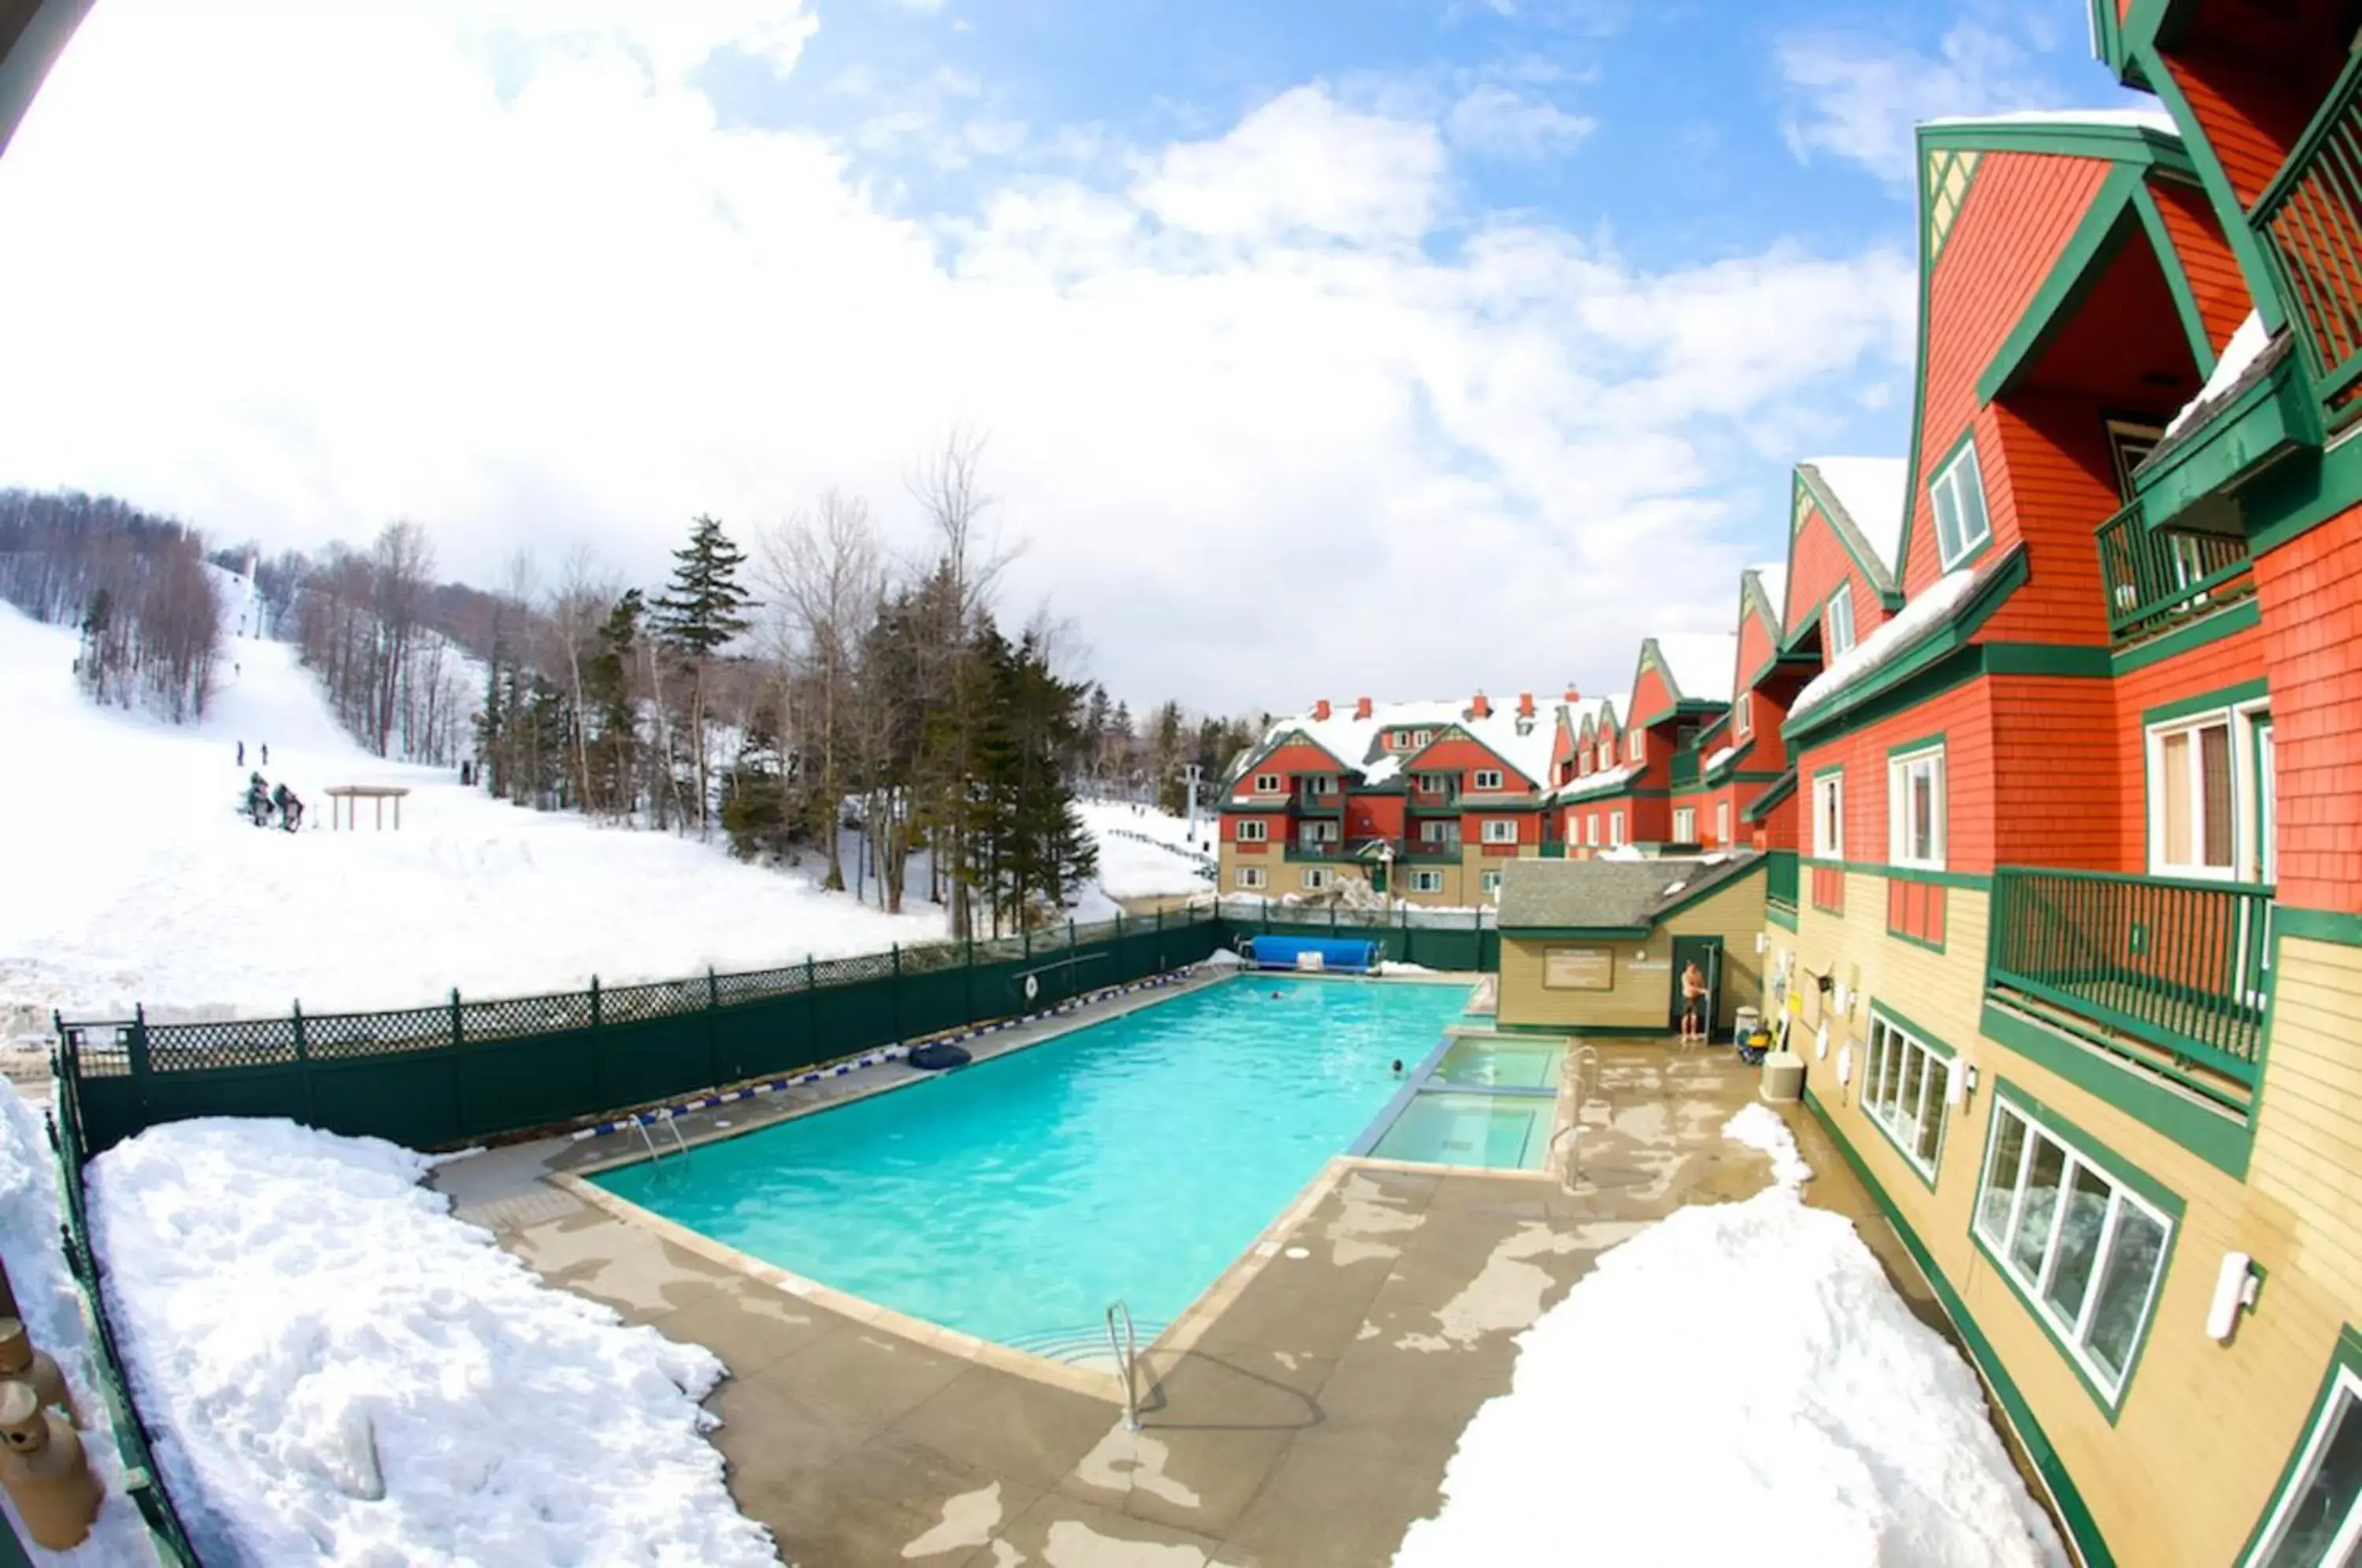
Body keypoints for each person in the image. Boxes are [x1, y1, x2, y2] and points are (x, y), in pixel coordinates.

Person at [1681, 960, 1709, 1042]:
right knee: (1686, 1017)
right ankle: (1685, 1034)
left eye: (1694, 966)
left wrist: (1704, 991)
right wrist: (1701, 991)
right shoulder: (1685, 975)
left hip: (1695, 997)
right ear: (1688, 967)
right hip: (1687, 997)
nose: (1693, 968)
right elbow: (1689, 987)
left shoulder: (1699, 974)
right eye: (1691, 967)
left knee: (1694, 1016)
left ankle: (1693, 1033)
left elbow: (1702, 984)